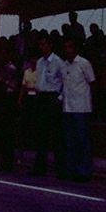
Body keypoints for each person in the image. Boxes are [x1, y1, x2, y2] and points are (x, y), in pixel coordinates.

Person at [62, 38, 95, 181]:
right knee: (70, 142)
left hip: (81, 108)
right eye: (65, 48)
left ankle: (84, 172)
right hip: (67, 107)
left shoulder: (84, 63)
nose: (67, 50)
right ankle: (71, 170)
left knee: (83, 141)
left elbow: (92, 82)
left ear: (75, 49)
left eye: (69, 47)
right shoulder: (64, 65)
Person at [32, 35, 66, 178]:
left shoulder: (58, 62)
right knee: (41, 134)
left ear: (50, 45)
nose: (42, 47)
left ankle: (60, 169)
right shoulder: (39, 62)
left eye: (44, 44)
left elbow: (66, 82)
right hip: (41, 97)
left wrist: (60, 98)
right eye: (40, 45)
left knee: (56, 135)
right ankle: (40, 167)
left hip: (53, 98)